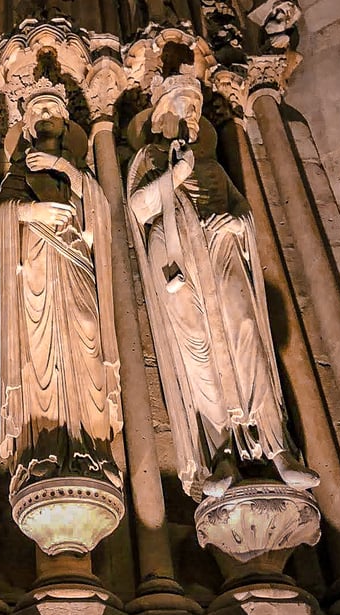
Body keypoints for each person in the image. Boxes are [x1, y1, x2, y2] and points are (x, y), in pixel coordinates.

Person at [126, 74, 318, 499]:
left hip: (223, 256)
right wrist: (175, 176)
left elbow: (244, 212)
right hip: (180, 266)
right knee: (199, 354)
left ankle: (276, 446)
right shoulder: (152, 162)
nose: (190, 116)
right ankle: (221, 450)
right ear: (160, 121)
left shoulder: (212, 165)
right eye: (181, 108)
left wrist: (236, 222)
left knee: (246, 333)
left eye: (194, 108)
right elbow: (138, 208)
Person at [0, 79, 122, 497]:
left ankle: (91, 444)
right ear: (28, 125)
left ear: (66, 124)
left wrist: (67, 169)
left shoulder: (76, 171)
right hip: (36, 267)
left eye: (52, 111)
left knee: (86, 333)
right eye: (37, 113)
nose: (45, 117)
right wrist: (32, 209)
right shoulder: (21, 169)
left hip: (75, 261)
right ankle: (43, 443)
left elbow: (101, 213)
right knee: (40, 348)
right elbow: (2, 213)